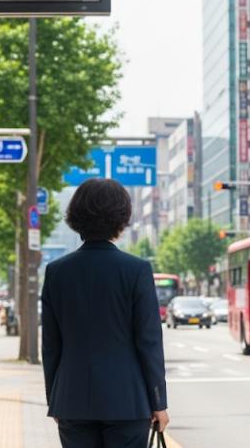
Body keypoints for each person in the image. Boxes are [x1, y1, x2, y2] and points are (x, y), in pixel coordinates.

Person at [41, 178, 168, 448]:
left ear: (76, 217)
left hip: (71, 399)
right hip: (128, 401)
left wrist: (55, 399)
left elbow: (51, 346)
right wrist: (159, 402)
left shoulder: (56, 272)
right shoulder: (136, 270)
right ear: (121, 220)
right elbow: (149, 342)